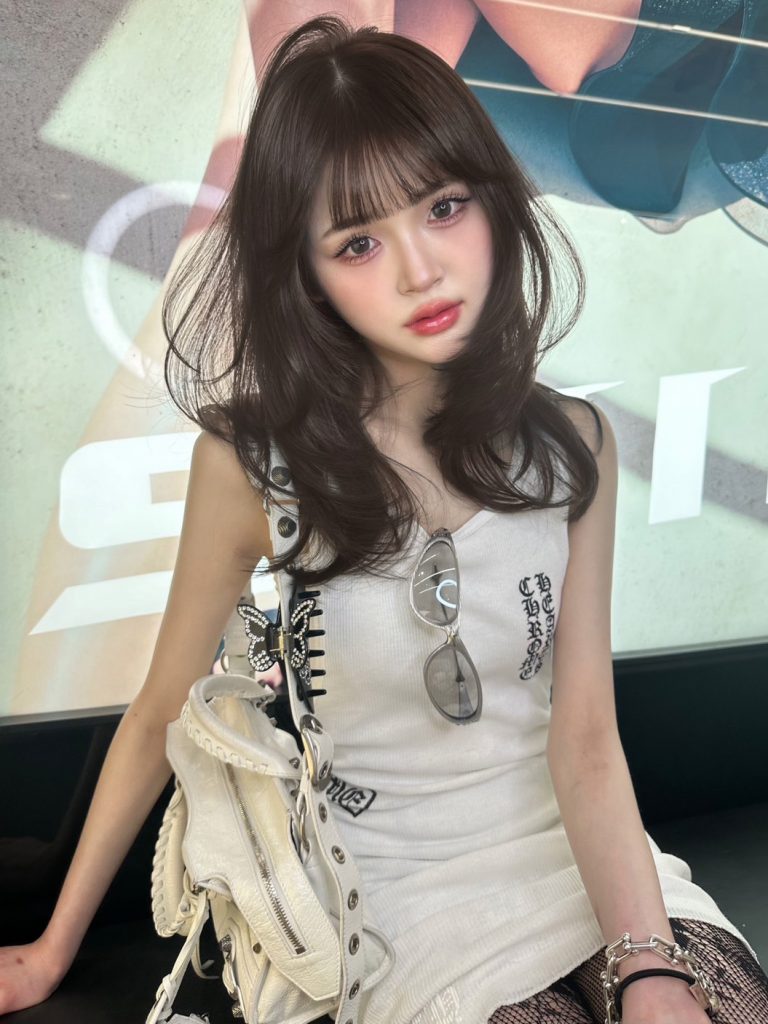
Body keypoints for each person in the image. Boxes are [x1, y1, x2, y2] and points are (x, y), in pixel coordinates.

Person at [1, 13, 767, 1023]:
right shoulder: (251, 466)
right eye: (359, 240)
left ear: (494, 199)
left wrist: (648, 965)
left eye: (445, 206)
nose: (421, 270)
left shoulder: (574, 446)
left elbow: (585, 739)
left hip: (590, 865)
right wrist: (51, 949)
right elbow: (157, 715)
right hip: (402, 903)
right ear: (307, 272)